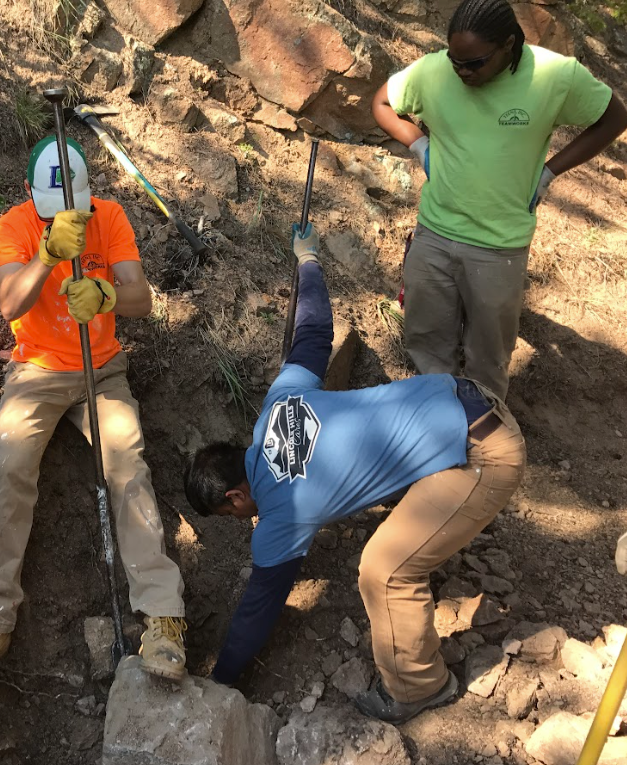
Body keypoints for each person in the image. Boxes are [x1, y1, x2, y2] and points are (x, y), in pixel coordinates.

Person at [184, 225, 527, 723]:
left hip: (486, 455)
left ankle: (418, 688)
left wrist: (220, 679)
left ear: (237, 497)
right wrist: (307, 260)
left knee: (383, 571)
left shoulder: (280, 518)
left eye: (231, 515)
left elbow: (259, 608)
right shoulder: (278, 403)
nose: (242, 522)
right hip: (465, 394)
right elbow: (314, 332)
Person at [0, 136, 187, 689]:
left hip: (102, 369)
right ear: (32, 196)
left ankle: (164, 619)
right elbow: (10, 303)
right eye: (55, 212)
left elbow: (141, 299)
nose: (69, 218)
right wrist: (47, 255)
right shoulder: (13, 226)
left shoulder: (111, 216)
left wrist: (105, 295)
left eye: (75, 210)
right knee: (11, 467)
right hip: (37, 371)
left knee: (129, 465)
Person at [372, 0, 627, 399]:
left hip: (499, 246)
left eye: (473, 63)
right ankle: (432, 419)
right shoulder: (434, 71)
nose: (461, 72)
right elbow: (382, 103)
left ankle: (484, 434)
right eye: (454, 60)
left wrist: (550, 170)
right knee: (426, 341)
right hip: (434, 235)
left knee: (488, 357)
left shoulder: (554, 76)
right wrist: (419, 143)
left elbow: (615, 119)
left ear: (509, 44)